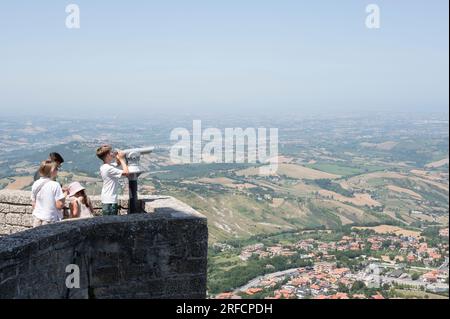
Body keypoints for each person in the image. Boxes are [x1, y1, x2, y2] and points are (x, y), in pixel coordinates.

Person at [31, 160, 68, 227]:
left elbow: (34, 204)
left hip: (37, 218)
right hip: (50, 219)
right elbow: (59, 205)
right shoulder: (55, 185)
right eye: (56, 169)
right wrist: (65, 194)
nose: (57, 170)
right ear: (52, 171)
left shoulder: (36, 183)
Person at [96, 145, 129, 216]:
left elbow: (117, 164)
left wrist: (117, 157)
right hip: (110, 201)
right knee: (110, 223)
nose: (113, 153)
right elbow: (126, 172)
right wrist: (121, 159)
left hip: (107, 199)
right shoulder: (108, 168)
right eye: (111, 152)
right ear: (107, 155)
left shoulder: (105, 166)